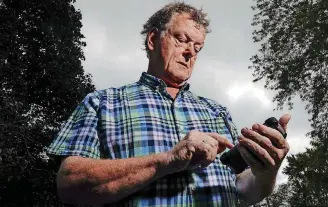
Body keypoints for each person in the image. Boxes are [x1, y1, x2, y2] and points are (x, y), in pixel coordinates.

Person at [47, 2, 290, 206]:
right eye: (181, 39)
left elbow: (242, 191)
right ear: (153, 39)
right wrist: (167, 160)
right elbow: (70, 184)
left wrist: (266, 173)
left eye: (197, 47)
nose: (189, 53)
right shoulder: (102, 103)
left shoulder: (217, 112)